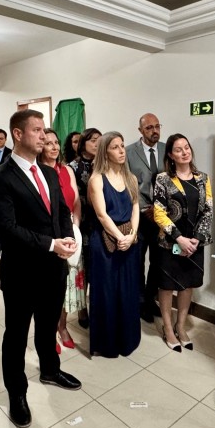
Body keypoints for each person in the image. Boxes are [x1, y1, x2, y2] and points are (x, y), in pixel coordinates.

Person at [0, 110, 82, 428]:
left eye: (44, 130)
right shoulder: (1, 178)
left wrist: (67, 237)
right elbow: (6, 227)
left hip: (53, 268)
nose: (44, 136)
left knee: (47, 325)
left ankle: (50, 370)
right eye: (37, 130)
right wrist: (51, 244)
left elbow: (62, 212)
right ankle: (17, 392)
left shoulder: (50, 173)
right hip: (22, 271)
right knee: (16, 335)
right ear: (18, 134)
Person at [153, 134, 213, 351]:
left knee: (187, 284)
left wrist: (196, 239)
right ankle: (168, 328)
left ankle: (181, 325)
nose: (184, 152)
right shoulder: (162, 179)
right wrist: (179, 238)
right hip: (171, 241)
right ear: (171, 155)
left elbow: (208, 210)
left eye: (186, 147)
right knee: (167, 286)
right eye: (178, 150)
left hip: (194, 242)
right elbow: (159, 212)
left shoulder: (203, 178)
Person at [88, 131, 142, 357]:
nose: (122, 151)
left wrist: (132, 235)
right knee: (107, 292)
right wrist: (120, 237)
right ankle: (107, 343)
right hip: (105, 243)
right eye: (115, 147)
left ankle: (127, 340)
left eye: (122, 145)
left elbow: (136, 208)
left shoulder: (131, 179)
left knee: (128, 290)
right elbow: (102, 215)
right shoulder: (96, 180)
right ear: (105, 152)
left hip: (129, 240)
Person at [40, 129, 85, 350]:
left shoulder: (66, 170)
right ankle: (48, 332)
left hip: (69, 231)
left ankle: (63, 326)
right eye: (48, 143)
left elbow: (75, 201)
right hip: (48, 235)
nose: (54, 147)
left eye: (56, 142)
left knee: (67, 285)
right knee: (49, 287)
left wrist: (74, 228)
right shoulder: (38, 171)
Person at [127, 113, 165, 323]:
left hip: (162, 218)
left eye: (157, 126)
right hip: (139, 216)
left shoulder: (167, 149)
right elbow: (127, 184)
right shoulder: (129, 152)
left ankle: (151, 299)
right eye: (149, 128)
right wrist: (143, 208)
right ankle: (140, 301)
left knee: (158, 261)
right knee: (138, 261)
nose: (154, 131)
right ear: (140, 130)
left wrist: (159, 209)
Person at [69, 127, 102, 328]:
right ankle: (82, 309)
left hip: (101, 221)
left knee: (98, 267)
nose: (97, 143)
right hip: (82, 220)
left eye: (100, 139)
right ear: (83, 144)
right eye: (93, 140)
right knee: (84, 268)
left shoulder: (103, 164)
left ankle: (98, 308)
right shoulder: (73, 166)